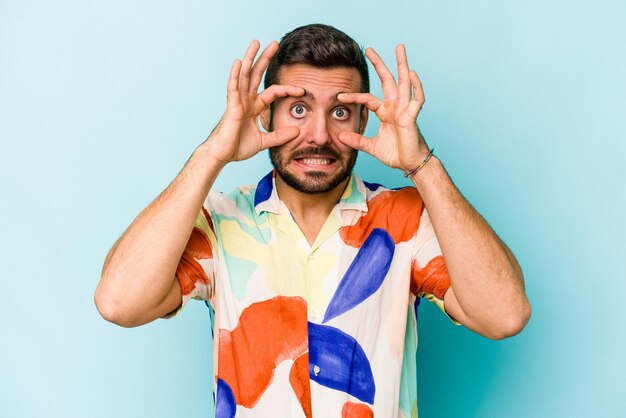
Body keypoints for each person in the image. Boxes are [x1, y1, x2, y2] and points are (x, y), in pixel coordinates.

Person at [95, 24, 531, 418]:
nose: (319, 135)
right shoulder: (219, 221)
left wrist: (422, 164)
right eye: (298, 109)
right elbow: (119, 303)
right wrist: (212, 154)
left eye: (340, 112)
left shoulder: (406, 221)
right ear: (265, 115)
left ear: (364, 118)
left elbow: (504, 316)